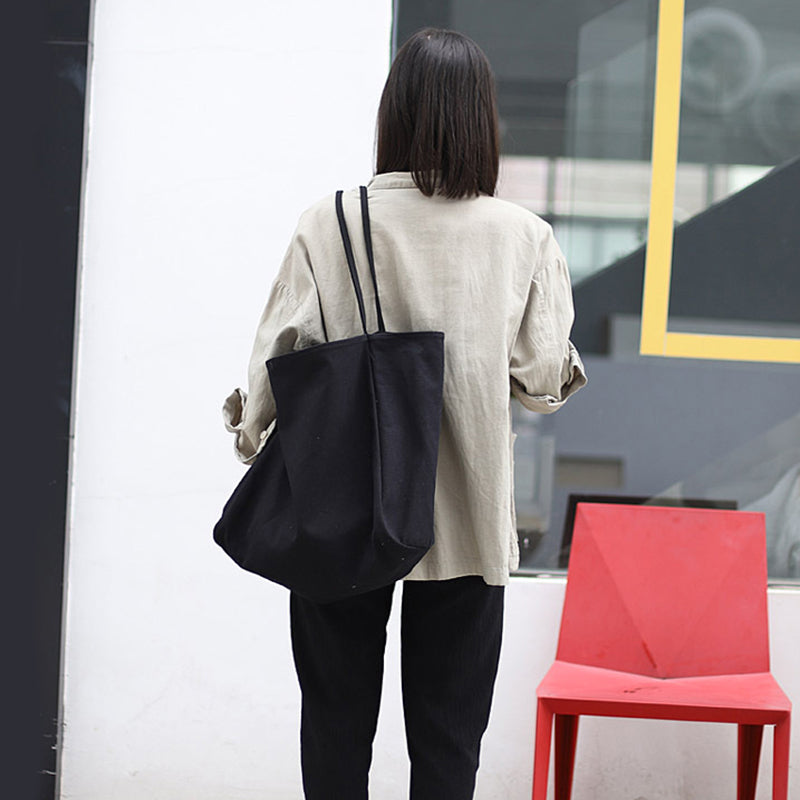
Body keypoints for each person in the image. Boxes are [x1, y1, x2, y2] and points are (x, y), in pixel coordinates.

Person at [222, 27, 586, 800]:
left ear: (394, 115)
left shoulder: (330, 222)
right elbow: (539, 381)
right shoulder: (524, 237)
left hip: (341, 514)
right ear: (481, 120)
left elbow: (276, 360)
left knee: (334, 730)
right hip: (466, 523)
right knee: (450, 748)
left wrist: (250, 431)